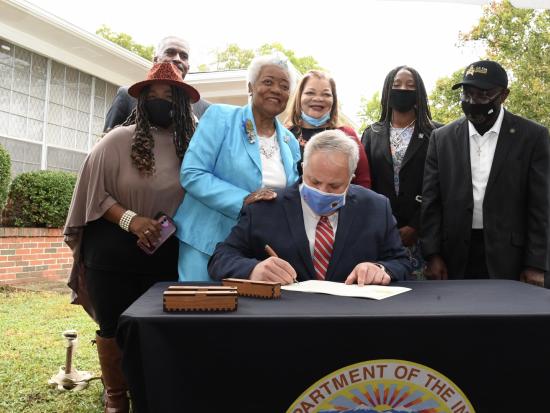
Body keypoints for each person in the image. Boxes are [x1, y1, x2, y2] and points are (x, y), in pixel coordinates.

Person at [64, 62, 199, 412]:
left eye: (168, 96)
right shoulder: (117, 140)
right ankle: (116, 397)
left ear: (183, 103)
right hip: (112, 254)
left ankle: (149, 391)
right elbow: (94, 194)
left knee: (155, 329)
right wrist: (131, 220)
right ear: (139, 102)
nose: (159, 102)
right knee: (113, 326)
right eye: (151, 96)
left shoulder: (195, 147)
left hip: (168, 253)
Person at [208, 130, 411, 284]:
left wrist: (379, 268)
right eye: (314, 181)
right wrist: (253, 270)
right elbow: (221, 258)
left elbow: (400, 261)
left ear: (351, 179)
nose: (322, 191)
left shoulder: (376, 207)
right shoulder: (265, 207)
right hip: (283, 322)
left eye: (334, 186)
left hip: (352, 321)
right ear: (303, 169)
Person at [421, 60, 550, 287]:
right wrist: (432, 254)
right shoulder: (442, 139)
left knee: (507, 321)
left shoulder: (533, 137)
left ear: (504, 95)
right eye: (467, 93)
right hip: (454, 258)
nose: (473, 101)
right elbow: (431, 201)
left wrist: (536, 264)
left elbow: (541, 206)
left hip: (511, 258)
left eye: (483, 94)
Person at [173, 52, 301, 281]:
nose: (276, 90)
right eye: (268, 82)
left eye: (284, 86)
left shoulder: (290, 142)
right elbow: (192, 173)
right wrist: (243, 200)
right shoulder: (220, 117)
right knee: (200, 312)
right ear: (251, 87)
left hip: (255, 254)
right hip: (207, 241)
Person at [362, 66, 440, 279]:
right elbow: (365, 185)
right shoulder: (372, 134)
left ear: (419, 93)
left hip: (424, 238)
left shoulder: (436, 134)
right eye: (397, 85)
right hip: (382, 234)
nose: (403, 89)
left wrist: (416, 225)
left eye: (410, 85)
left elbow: (439, 186)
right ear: (387, 90)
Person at [103, 35, 210, 132]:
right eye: (170, 52)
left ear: (188, 67)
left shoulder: (204, 108)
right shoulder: (127, 95)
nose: (178, 59)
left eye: (183, 56)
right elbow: (106, 140)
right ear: (155, 61)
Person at [285, 70, 371, 188]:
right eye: (310, 92)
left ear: (333, 100)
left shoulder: (346, 135)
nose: (318, 98)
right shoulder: (286, 135)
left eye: (326, 94)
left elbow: (363, 181)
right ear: (299, 97)